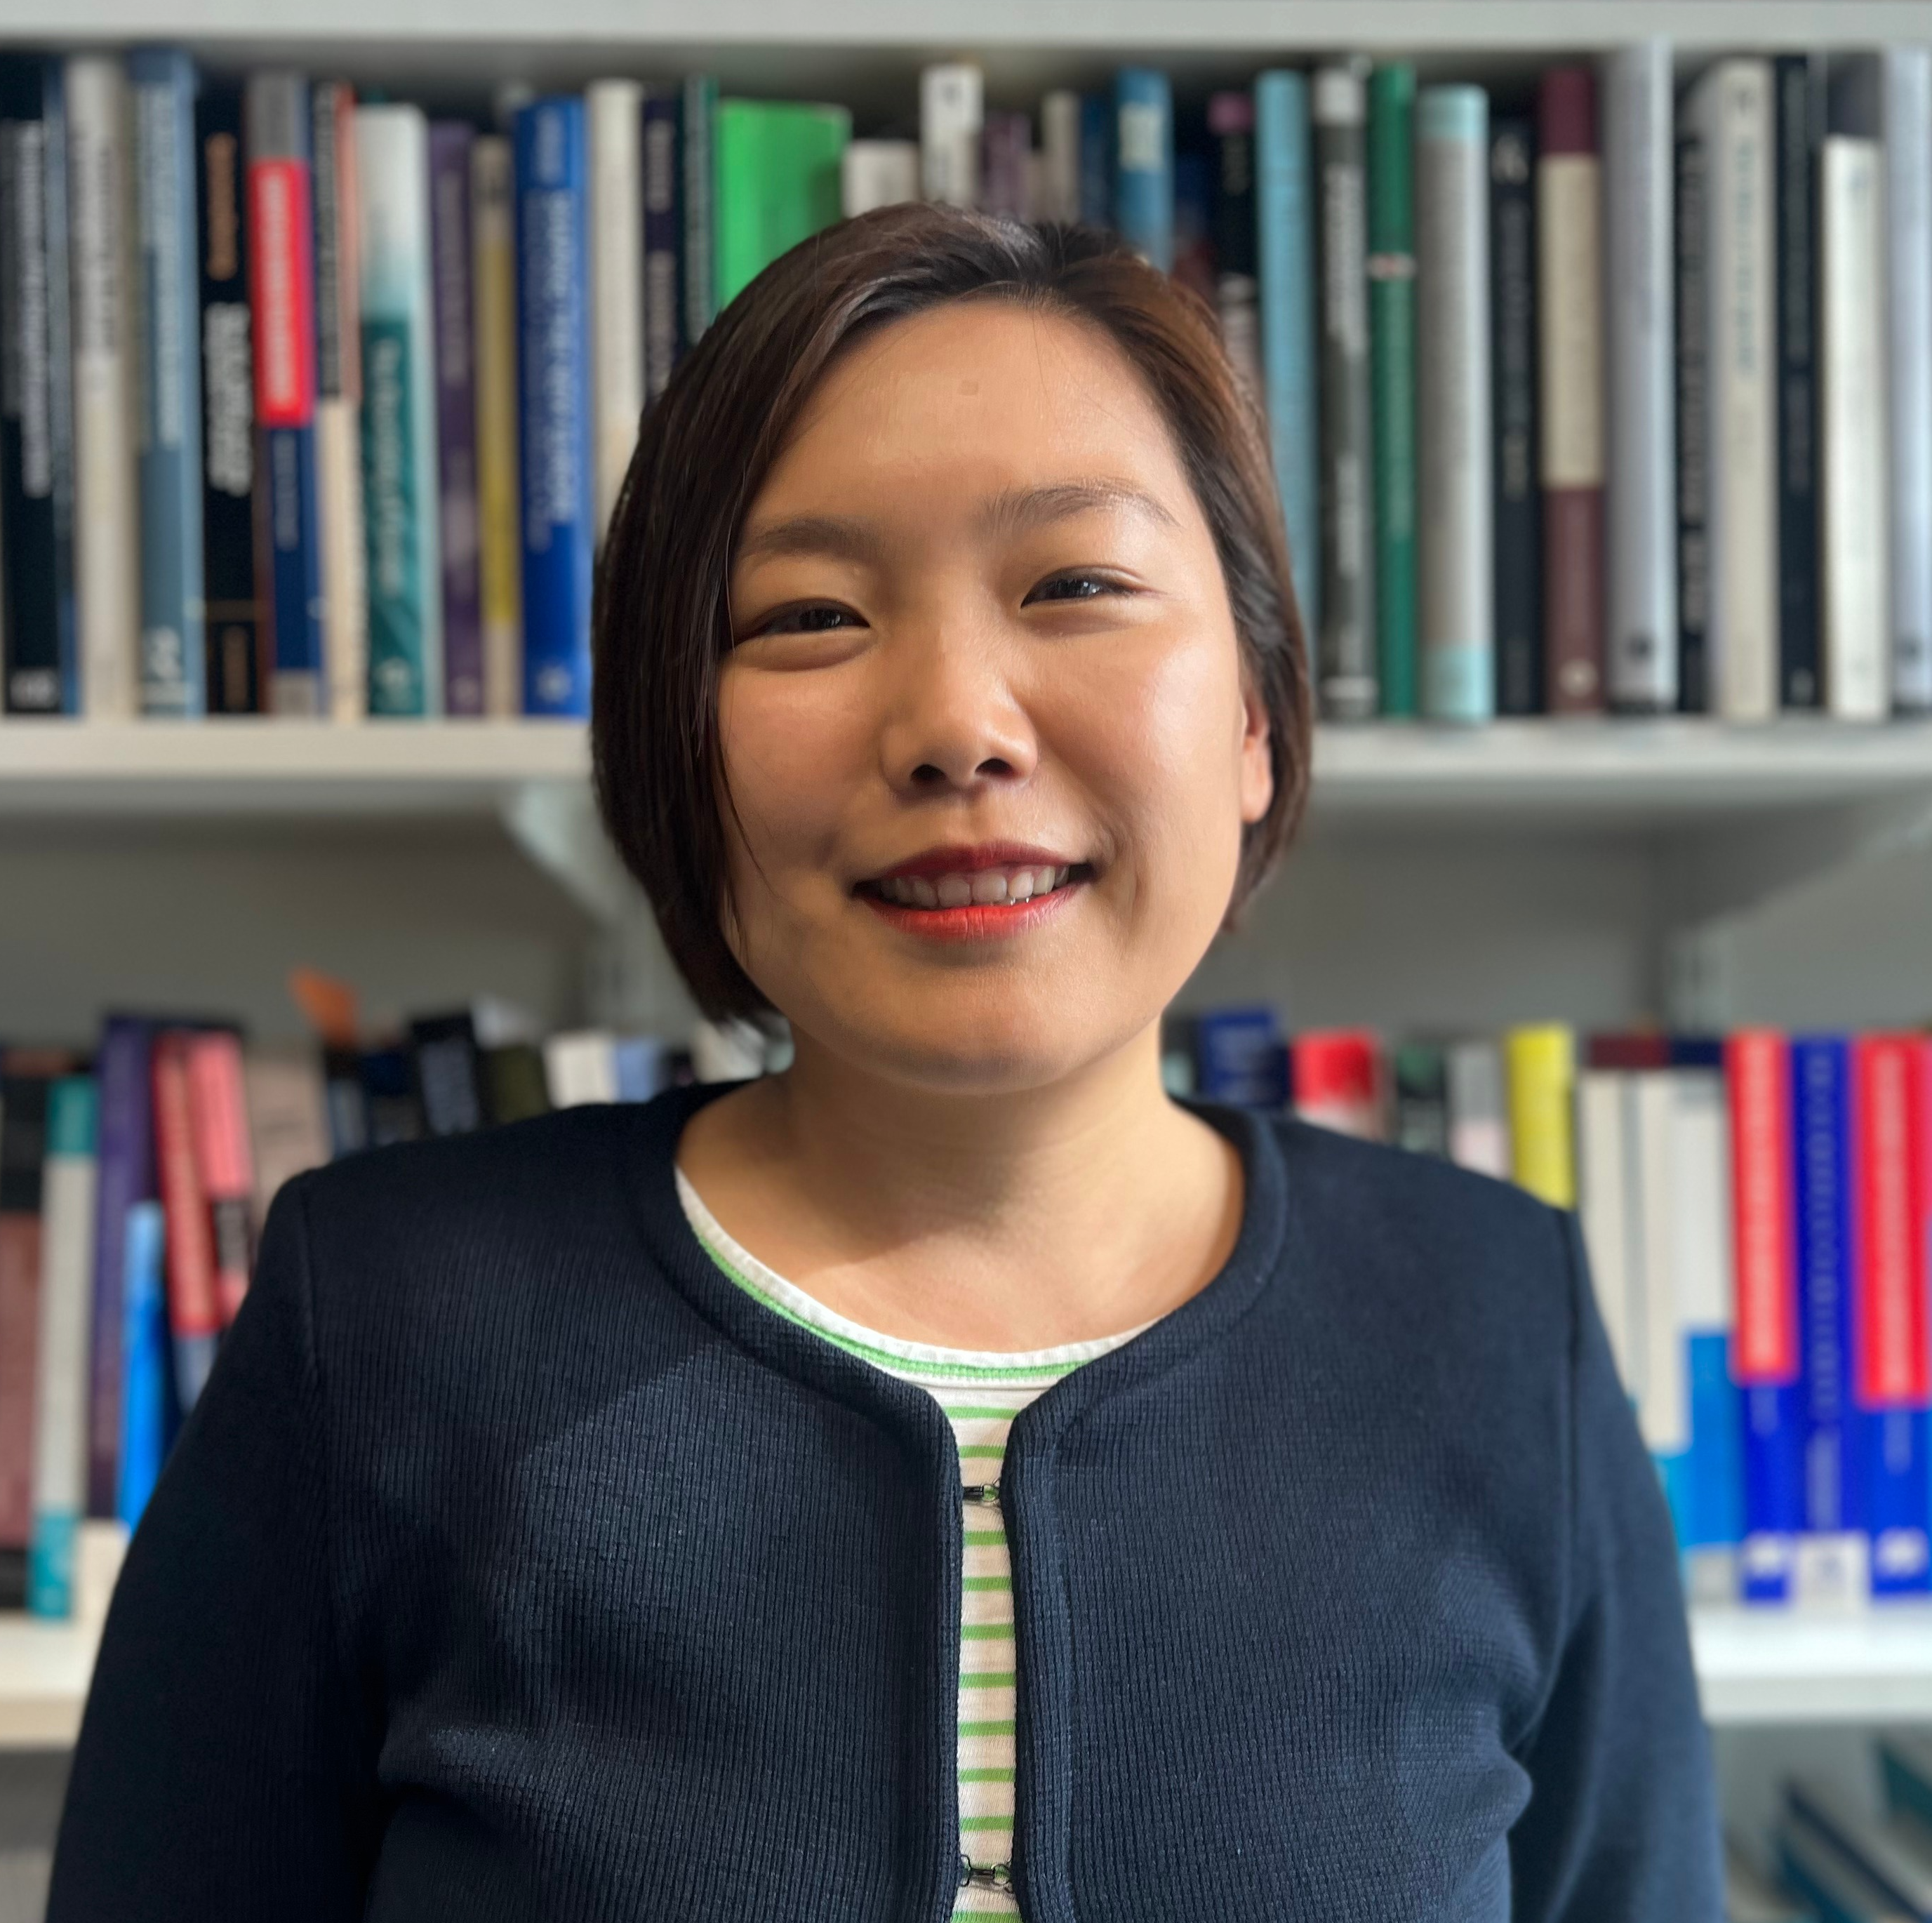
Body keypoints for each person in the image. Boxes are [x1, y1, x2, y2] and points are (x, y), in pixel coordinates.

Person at [49, 204, 1718, 1922]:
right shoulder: (379, 1320)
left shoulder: (1495, 1328)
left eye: (1075, 585)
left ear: (1251, 715)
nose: (954, 728)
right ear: (678, 748)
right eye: (809, 616)